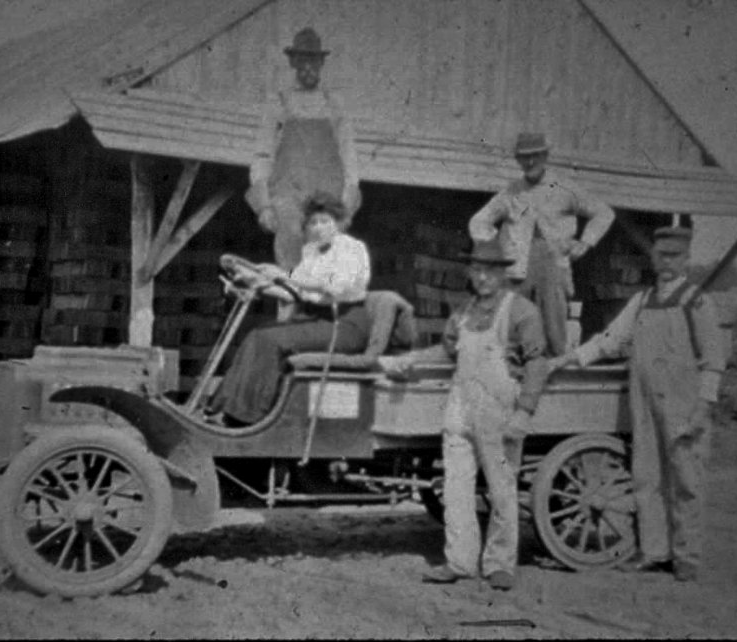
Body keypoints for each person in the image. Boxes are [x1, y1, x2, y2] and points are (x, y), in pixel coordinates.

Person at [547, 225, 725, 582]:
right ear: (653, 259)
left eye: (674, 256)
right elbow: (610, 340)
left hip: (683, 405)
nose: (666, 263)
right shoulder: (642, 300)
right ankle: (655, 552)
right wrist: (568, 359)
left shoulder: (697, 302)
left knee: (686, 480)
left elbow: (714, 360)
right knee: (647, 476)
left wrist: (703, 407)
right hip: (643, 402)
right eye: (661, 256)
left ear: (687, 259)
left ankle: (686, 556)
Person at [379, 239, 549, 591]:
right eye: (477, 270)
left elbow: (537, 362)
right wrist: (412, 359)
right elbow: (447, 352)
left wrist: (525, 411)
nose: (483, 277)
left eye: (490, 270)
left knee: (502, 489)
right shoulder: (464, 312)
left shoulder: (521, 311)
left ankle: (500, 563)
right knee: (456, 489)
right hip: (459, 408)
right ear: (470, 272)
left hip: (499, 411)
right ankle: (459, 561)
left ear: (503, 273)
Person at [206, 191, 370, 427]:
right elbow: (295, 294)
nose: (319, 228)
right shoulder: (311, 252)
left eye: (325, 222)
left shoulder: (351, 249)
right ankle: (222, 409)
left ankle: (246, 418)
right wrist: (258, 281)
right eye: (313, 223)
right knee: (257, 335)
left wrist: (284, 274)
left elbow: (335, 287)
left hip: (344, 325)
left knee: (271, 341)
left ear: (339, 223)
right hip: (316, 319)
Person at [468, 132, 615, 357]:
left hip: (554, 267)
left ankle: (555, 378)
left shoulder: (564, 188)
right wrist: (493, 249)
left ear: (545, 156)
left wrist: (585, 243)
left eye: (535, 156)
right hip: (517, 269)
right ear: (517, 160)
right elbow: (479, 221)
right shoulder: (511, 192)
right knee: (513, 326)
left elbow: (603, 213)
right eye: (524, 157)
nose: (530, 162)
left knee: (554, 330)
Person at [246, 27, 362, 273]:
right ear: (293, 62)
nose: (308, 67)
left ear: (321, 64)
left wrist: (348, 203)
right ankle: (288, 309)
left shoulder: (334, 104)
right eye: (303, 61)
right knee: (289, 264)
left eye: (314, 61)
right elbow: (263, 154)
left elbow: (348, 154)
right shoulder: (279, 101)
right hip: (289, 196)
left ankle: (321, 310)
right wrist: (264, 205)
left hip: (326, 196)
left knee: (326, 266)